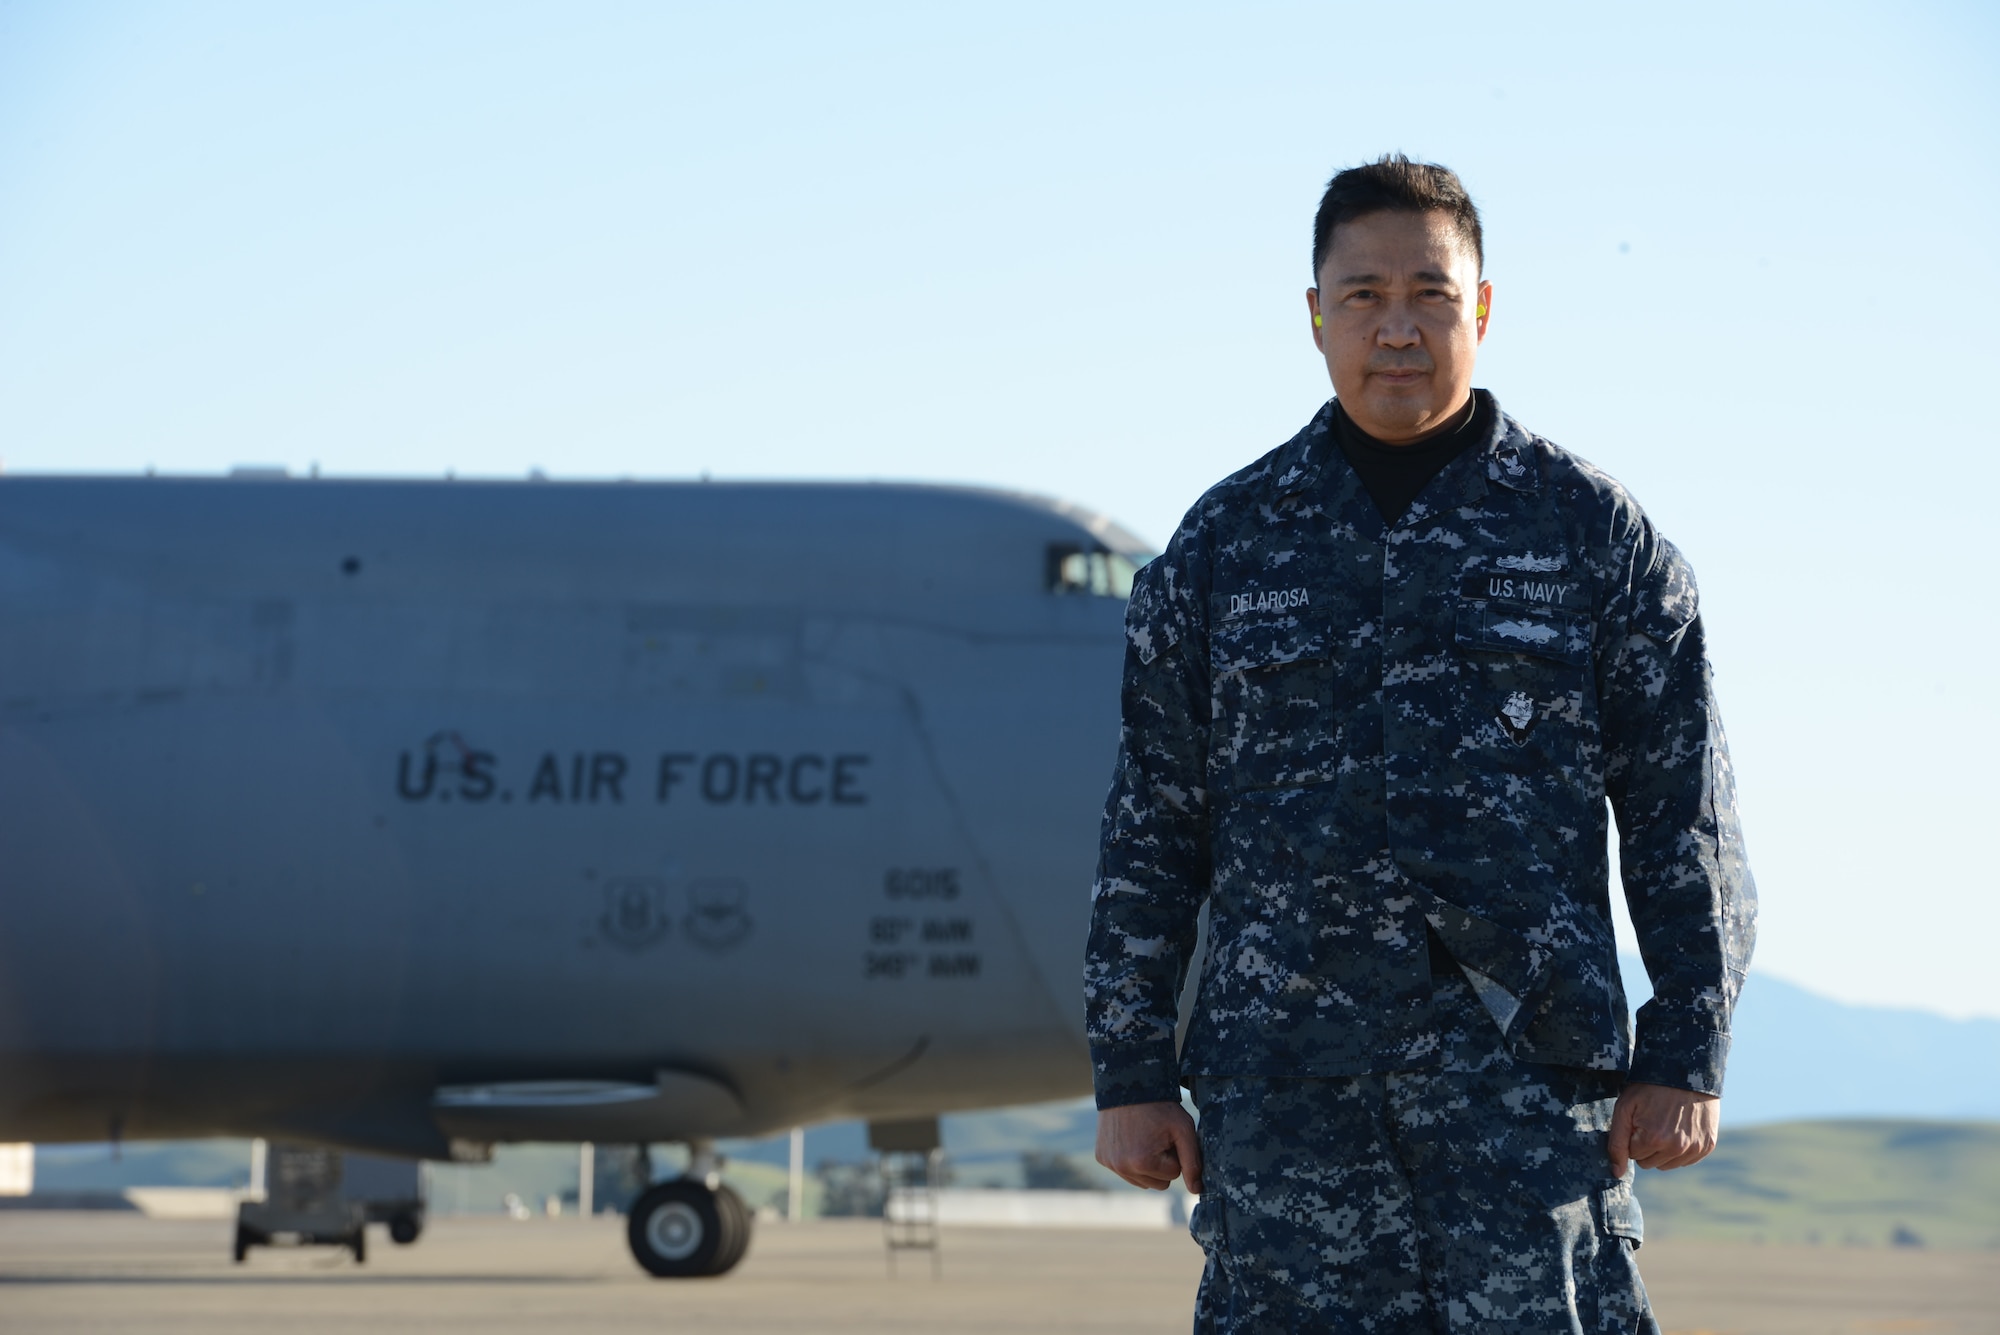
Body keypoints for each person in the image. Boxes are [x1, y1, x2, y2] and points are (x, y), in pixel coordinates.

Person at [1085, 155, 1756, 1333]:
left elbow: (1679, 816)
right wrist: (1132, 1075)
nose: (1396, 328)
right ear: (1314, 316)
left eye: (1429, 295)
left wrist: (1685, 1044)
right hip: (1287, 1105)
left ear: (1480, 309)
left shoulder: (1594, 539)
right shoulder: (1222, 548)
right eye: (1362, 296)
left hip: (1522, 1098)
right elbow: (1152, 826)